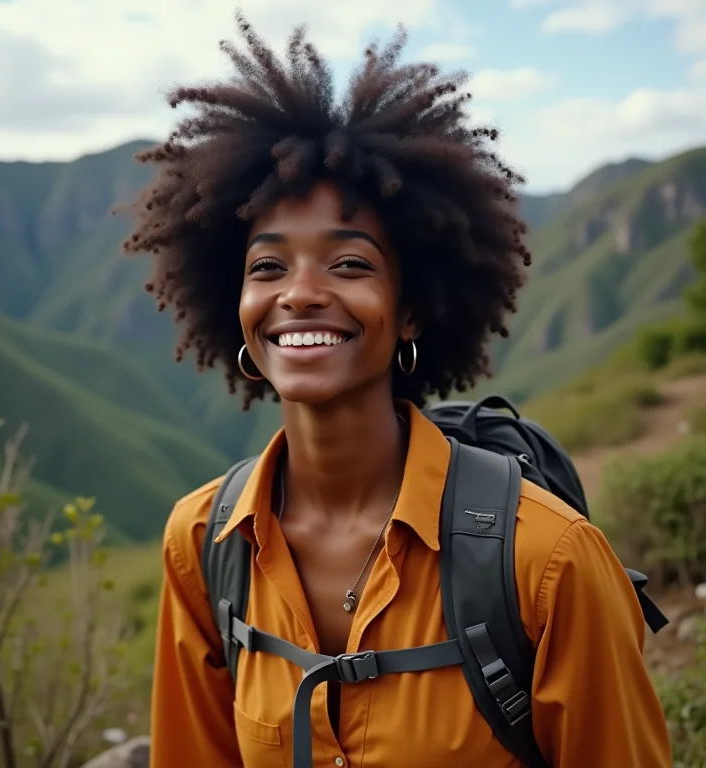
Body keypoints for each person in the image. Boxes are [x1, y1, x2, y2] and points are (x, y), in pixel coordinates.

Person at [125, 13, 673, 768]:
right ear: (236, 306)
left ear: (411, 307)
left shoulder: (546, 561)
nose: (302, 295)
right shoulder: (203, 545)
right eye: (268, 267)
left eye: (349, 265)